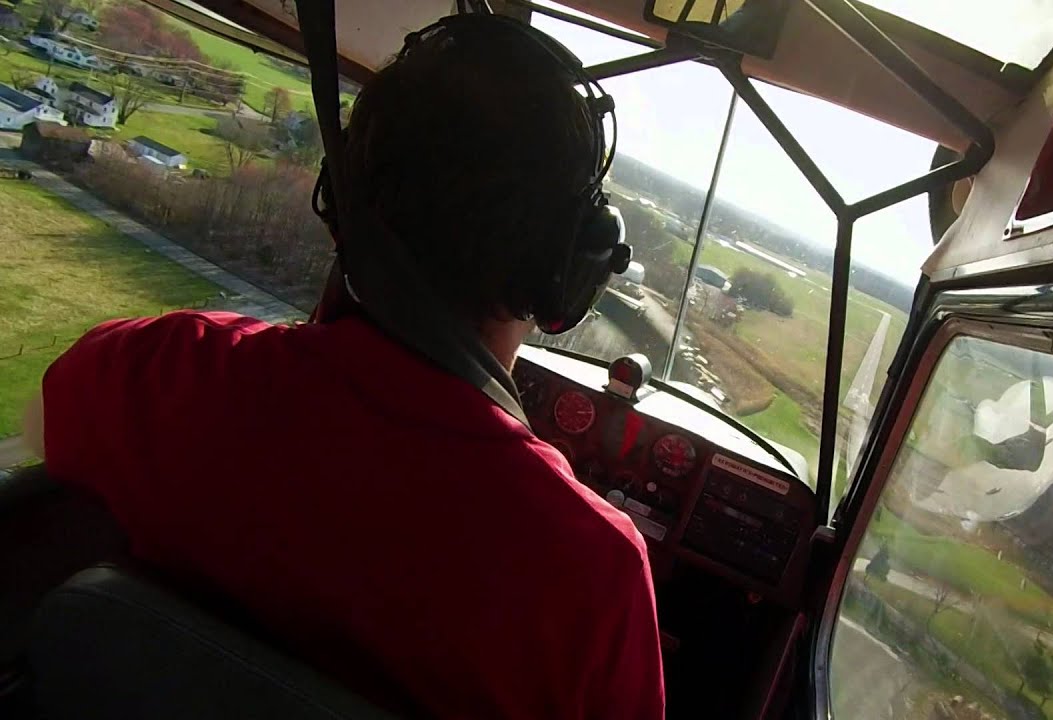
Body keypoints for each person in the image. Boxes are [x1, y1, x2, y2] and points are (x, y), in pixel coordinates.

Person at [23, 14, 664, 720]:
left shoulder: (162, 372)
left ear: (341, 195)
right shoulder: (591, 576)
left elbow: (38, 432)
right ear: (569, 271)